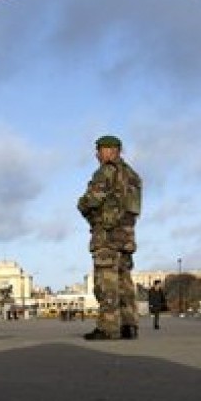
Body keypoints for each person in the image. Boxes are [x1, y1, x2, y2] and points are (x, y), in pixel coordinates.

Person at [77, 135, 142, 340]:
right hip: (126, 236)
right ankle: (128, 325)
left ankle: (108, 327)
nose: (97, 155)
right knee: (124, 281)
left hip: (107, 234)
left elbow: (91, 200)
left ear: (109, 151)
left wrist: (83, 206)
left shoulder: (105, 172)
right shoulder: (133, 176)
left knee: (106, 283)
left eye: (99, 150)